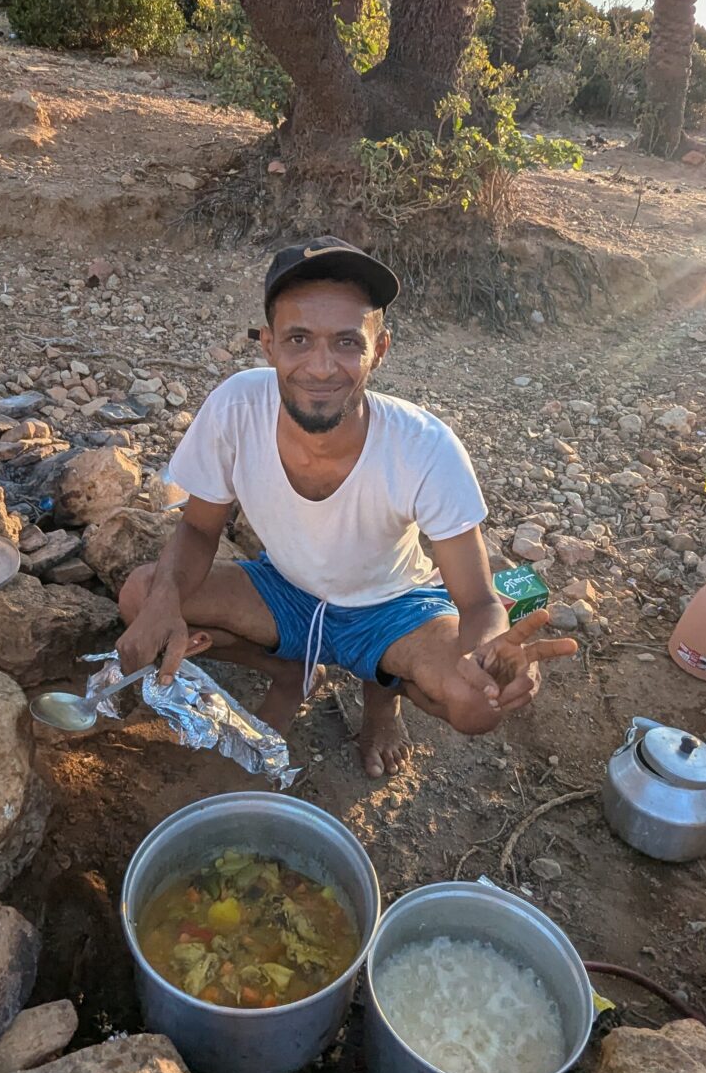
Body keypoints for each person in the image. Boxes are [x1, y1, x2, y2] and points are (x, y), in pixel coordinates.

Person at [117, 236, 576, 778]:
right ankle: (292, 672)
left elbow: (477, 601)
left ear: (379, 350)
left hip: (392, 608)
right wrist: (166, 601)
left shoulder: (424, 446)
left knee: (476, 704)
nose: (321, 367)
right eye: (299, 339)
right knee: (141, 595)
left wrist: (488, 656)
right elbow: (197, 530)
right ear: (268, 345)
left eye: (346, 342)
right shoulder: (236, 407)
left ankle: (383, 701)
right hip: (285, 591)